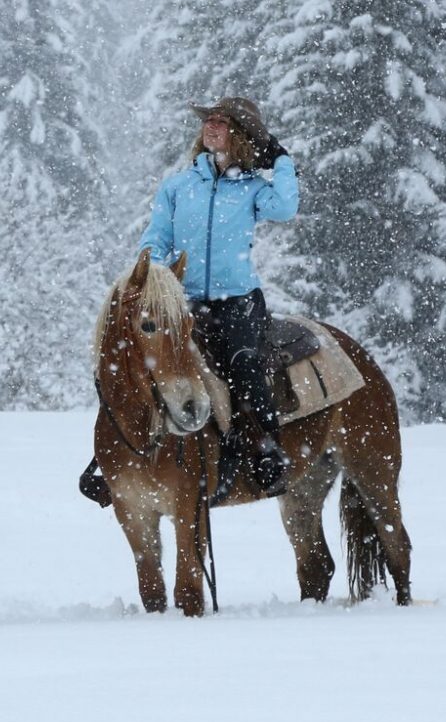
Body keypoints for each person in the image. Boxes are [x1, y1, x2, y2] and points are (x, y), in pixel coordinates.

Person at [80, 96, 299, 507]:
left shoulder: (254, 188)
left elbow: (287, 207)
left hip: (238, 300)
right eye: (209, 121)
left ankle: (265, 447)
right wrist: (154, 270)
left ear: (241, 136)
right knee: (136, 360)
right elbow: (158, 233)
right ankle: (113, 455)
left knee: (243, 364)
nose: (210, 127)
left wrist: (281, 160)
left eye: (221, 122)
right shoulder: (179, 185)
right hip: (186, 300)